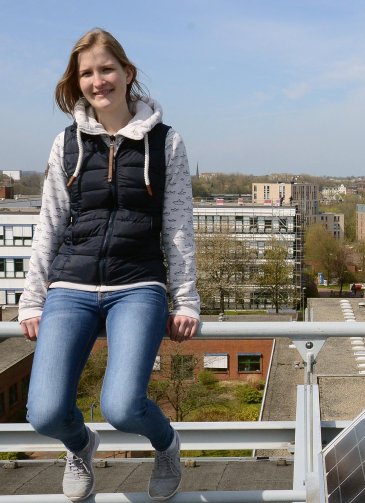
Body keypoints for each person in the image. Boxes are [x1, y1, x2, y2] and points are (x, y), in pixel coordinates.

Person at [17, 28, 200, 502]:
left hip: (137, 285)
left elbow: (178, 227)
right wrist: (32, 300)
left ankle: (166, 444)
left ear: (126, 72)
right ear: (76, 82)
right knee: (45, 412)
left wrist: (185, 299)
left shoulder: (165, 142)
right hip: (70, 286)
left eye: (106, 69)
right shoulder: (67, 144)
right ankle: (80, 446)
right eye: (87, 73)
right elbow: (49, 223)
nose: (98, 81)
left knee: (121, 405)